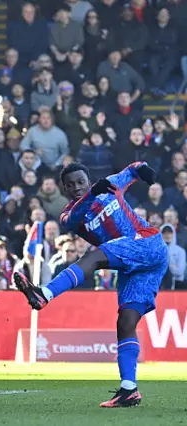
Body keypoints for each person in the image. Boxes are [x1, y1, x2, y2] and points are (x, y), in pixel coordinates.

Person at [13, 161, 168, 408]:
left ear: (88, 180)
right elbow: (76, 215)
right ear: (64, 189)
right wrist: (93, 193)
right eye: (70, 185)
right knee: (126, 321)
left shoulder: (111, 185)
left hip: (147, 244)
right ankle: (129, 389)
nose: (76, 187)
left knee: (93, 257)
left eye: (80, 183)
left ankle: (45, 293)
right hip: (131, 264)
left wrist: (145, 170)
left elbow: (132, 169)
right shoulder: (68, 216)